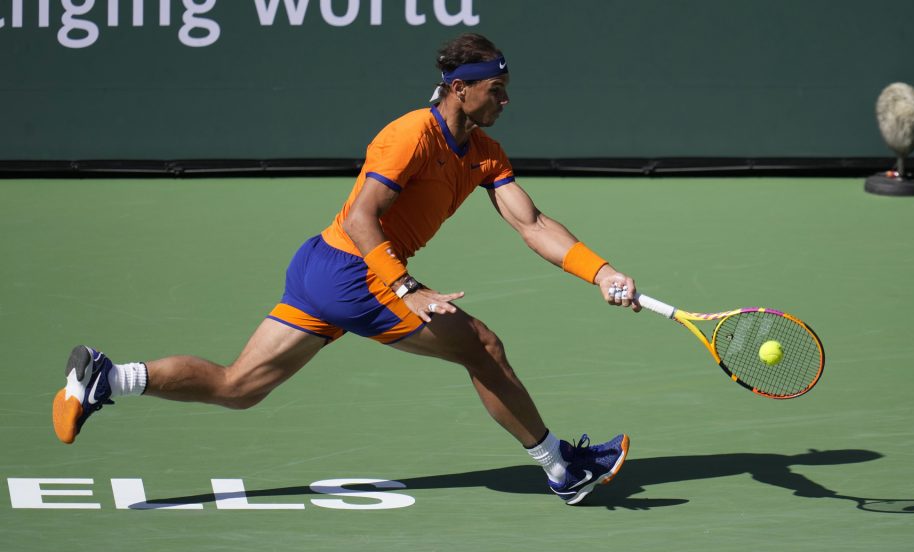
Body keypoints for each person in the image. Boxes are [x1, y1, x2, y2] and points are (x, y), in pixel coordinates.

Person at [52, 33, 639, 506]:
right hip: (353, 270)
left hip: (320, 267)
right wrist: (405, 286)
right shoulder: (409, 135)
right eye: (497, 90)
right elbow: (363, 216)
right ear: (460, 90)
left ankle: (109, 377)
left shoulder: (486, 153)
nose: (506, 101)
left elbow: (532, 223)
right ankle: (562, 468)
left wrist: (602, 272)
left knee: (240, 387)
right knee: (481, 346)